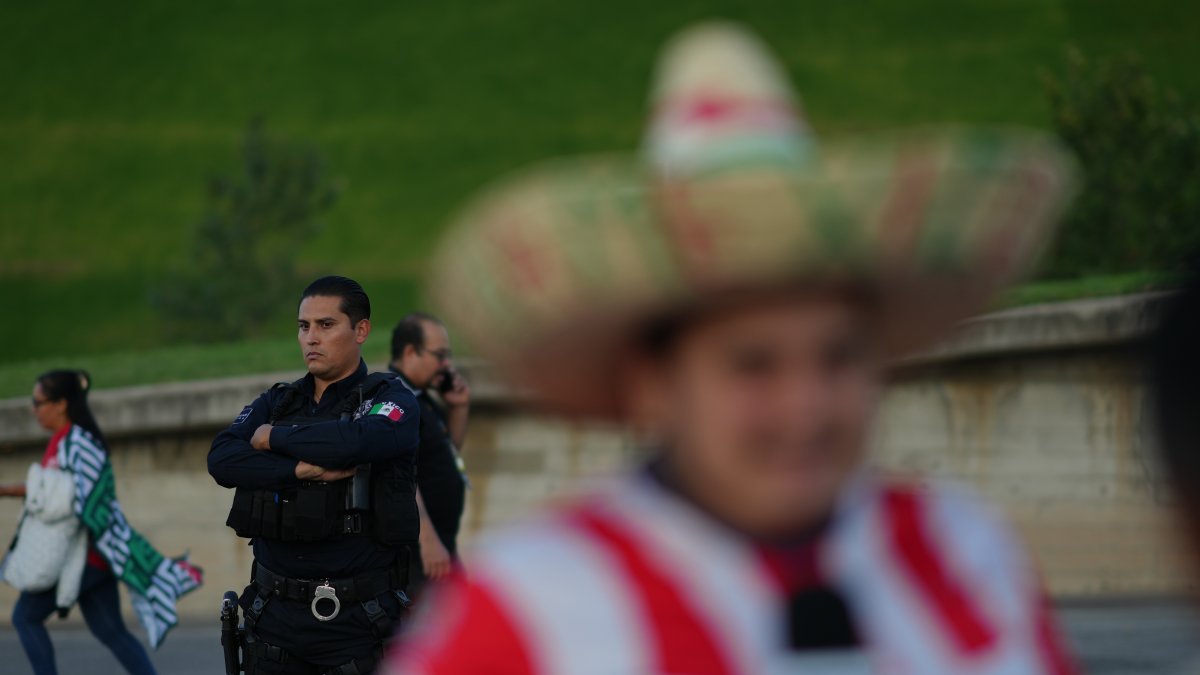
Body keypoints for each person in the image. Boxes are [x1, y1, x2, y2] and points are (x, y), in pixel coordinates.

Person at [386, 22, 1081, 675]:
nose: (804, 406)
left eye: (838, 356)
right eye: (754, 364)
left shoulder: (963, 554)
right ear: (652, 380)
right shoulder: (523, 616)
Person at [209, 275, 421, 674]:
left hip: (357, 623)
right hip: (273, 619)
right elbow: (222, 459)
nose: (311, 338)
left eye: (326, 325)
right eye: (304, 326)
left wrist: (274, 438)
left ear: (361, 330)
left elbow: (359, 441)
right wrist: (295, 469)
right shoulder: (278, 400)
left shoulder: (390, 401)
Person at [1, 370, 202, 675]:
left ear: (60, 404)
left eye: (38, 402)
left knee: (25, 618)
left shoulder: (80, 443)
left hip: (85, 556)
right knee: (110, 632)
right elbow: (57, 490)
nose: (34, 409)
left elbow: (78, 500)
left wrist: (15, 491)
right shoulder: (63, 441)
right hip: (90, 558)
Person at [388, 314, 470, 592]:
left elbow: (446, 456)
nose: (446, 364)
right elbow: (398, 472)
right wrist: (427, 539)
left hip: (441, 543)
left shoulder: (421, 398)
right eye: (440, 355)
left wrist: (458, 408)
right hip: (421, 554)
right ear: (411, 352)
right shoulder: (396, 400)